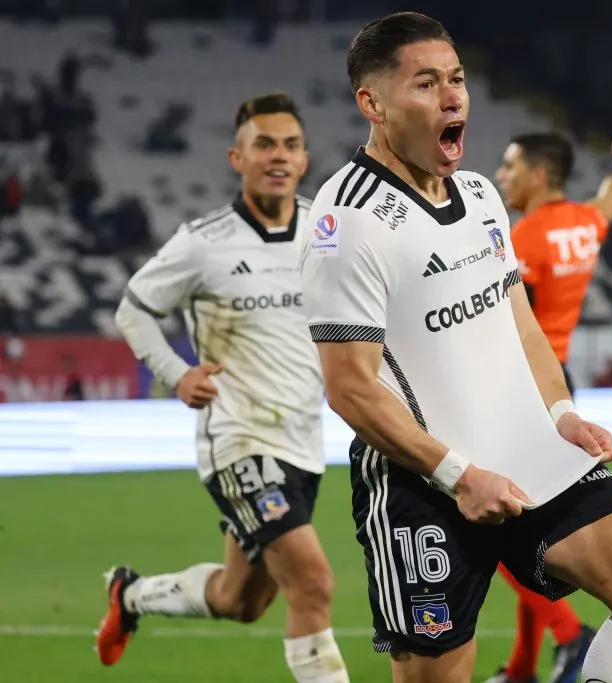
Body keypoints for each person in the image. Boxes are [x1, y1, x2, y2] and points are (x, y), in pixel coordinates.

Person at [301, 12, 612, 683]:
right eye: (426, 84)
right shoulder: (346, 221)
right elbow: (350, 387)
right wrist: (459, 475)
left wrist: (563, 412)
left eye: (456, 79)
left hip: (525, 450)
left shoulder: (480, 196)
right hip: (422, 482)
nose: (453, 97)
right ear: (373, 102)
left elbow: (522, 326)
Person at [96, 93, 351, 683]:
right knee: (312, 582)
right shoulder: (202, 242)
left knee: (244, 600)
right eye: (263, 145)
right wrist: (176, 373)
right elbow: (133, 310)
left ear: (305, 158)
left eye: (289, 145)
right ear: (238, 157)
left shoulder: (326, 230)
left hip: (303, 441)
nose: (277, 157)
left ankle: (131, 596)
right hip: (238, 440)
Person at [486, 126, 612, 683]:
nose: (500, 176)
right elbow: (609, 200)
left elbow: (509, 327)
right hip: (560, 389)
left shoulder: (525, 238)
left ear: (538, 176)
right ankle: (521, 670)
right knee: (526, 521)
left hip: (520, 392)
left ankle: (567, 633)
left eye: (509, 167)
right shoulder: (584, 225)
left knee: (495, 530)